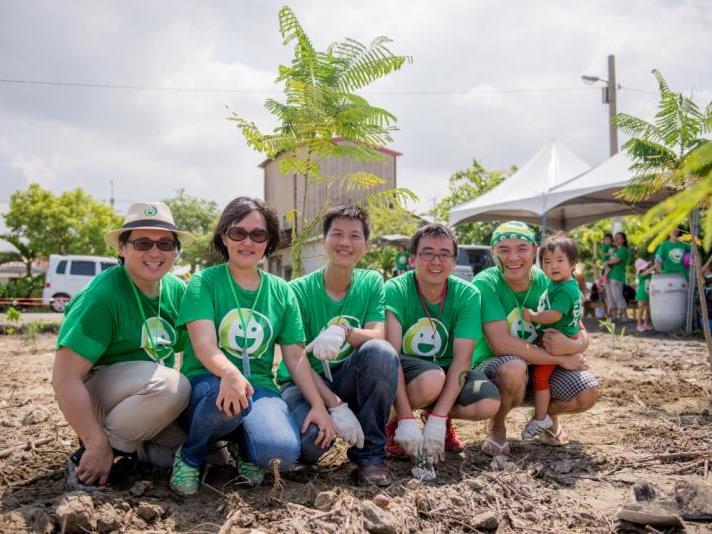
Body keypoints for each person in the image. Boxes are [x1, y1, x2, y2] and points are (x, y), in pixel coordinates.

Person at [170, 197, 335, 496]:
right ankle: (191, 455)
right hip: (210, 383)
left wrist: (319, 406)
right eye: (238, 233)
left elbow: (296, 356)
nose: (248, 242)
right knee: (228, 402)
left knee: (281, 453)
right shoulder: (204, 283)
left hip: (259, 388)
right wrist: (231, 374)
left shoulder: (281, 291)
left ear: (269, 241)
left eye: (258, 235)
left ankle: (245, 450)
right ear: (224, 236)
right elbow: (204, 345)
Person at [52, 202, 193, 490]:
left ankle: (131, 453)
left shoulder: (177, 290)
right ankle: (95, 454)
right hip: (96, 397)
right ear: (122, 247)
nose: (155, 253)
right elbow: (64, 378)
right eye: (143, 243)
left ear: (175, 251)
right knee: (170, 386)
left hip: (144, 397)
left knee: (192, 458)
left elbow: (199, 349)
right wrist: (95, 440)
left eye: (165, 244)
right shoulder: (102, 296)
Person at [277, 205, 399, 486]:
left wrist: (343, 330)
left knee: (381, 354)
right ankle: (305, 450)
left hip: (347, 378)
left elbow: (378, 335)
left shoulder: (370, 282)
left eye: (355, 236)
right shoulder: (297, 291)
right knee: (311, 443)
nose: (345, 243)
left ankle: (370, 457)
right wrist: (334, 406)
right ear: (324, 241)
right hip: (304, 385)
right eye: (337, 234)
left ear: (366, 246)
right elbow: (297, 360)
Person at [472, 221, 598, 455]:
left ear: (534, 250)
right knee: (513, 367)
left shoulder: (549, 280)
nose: (513, 257)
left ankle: (546, 417)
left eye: (521, 248)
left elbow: (579, 329)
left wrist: (574, 345)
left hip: (539, 367)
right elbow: (501, 344)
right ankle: (497, 426)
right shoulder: (486, 283)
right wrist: (559, 359)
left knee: (587, 392)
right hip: (494, 371)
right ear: (493, 253)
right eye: (503, 250)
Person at [384, 224, 501, 464]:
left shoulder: (468, 295)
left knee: (488, 402)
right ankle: (392, 424)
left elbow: (463, 358)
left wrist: (438, 417)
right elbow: (390, 356)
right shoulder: (395, 290)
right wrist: (406, 418)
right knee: (432, 379)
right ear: (412, 258)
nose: (435, 261)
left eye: (444, 254)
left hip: (446, 371)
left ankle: (436, 417)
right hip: (407, 373)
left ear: (454, 260)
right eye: (427, 253)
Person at [521, 234, 583, 439]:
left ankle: (541, 417)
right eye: (547, 262)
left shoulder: (565, 289)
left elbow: (554, 315)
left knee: (540, 378)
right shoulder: (561, 284)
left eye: (559, 260)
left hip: (557, 342)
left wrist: (533, 316)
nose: (553, 266)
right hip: (562, 339)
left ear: (573, 263)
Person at [606, 232, 630, 321]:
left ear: (623, 240)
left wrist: (607, 262)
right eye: (615, 237)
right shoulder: (615, 250)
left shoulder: (623, 249)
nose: (615, 239)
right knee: (611, 297)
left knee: (618, 296)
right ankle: (614, 316)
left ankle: (625, 316)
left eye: (618, 238)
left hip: (617, 276)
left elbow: (617, 260)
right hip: (610, 275)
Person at [634, 258, 655, 332]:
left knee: (648, 309)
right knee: (641, 309)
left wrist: (652, 266)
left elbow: (653, 272)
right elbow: (647, 272)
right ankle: (639, 324)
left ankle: (646, 323)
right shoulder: (641, 274)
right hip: (641, 293)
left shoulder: (650, 274)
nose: (647, 267)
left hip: (648, 293)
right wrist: (654, 266)